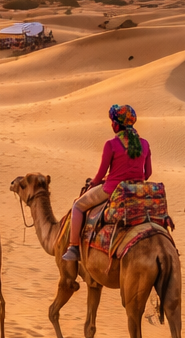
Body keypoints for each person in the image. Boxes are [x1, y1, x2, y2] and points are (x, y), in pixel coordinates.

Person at [61, 104, 152, 262]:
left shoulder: (112, 144)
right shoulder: (144, 144)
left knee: (77, 206)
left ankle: (73, 247)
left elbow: (101, 174)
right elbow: (148, 173)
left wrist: (95, 183)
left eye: (113, 122)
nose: (112, 125)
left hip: (112, 190)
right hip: (136, 190)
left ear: (117, 124)